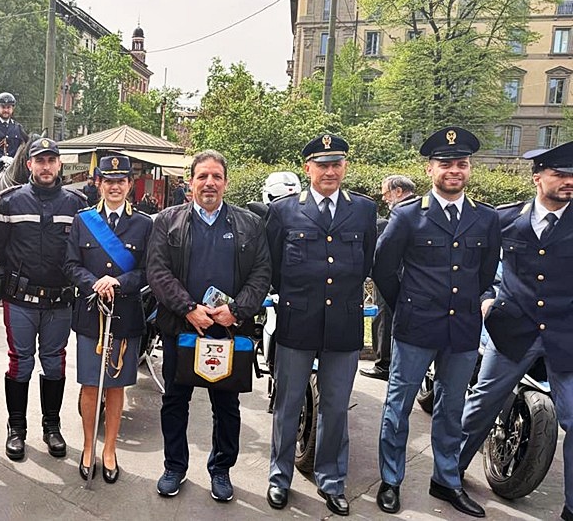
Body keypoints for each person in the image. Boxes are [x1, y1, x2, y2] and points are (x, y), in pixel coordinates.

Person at [372, 127, 501, 517]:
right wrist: (406, 305)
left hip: (461, 329)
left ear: (469, 169)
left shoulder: (485, 218)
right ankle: (390, 480)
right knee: (399, 407)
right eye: (446, 164)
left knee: (451, 410)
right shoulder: (409, 216)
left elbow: (485, 273)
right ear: (430, 169)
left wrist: (470, 304)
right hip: (415, 326)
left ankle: (446, 480)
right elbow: (382, 268)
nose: (454, 171)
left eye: (461, 164)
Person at [146, 150, 272, 502]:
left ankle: (221, 470)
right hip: (182, 329)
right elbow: (157, 272)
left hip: (229, 332)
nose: (209, 183)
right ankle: (174, 467)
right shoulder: (166, 221)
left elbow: (262, 273)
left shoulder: (250, 224)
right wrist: (188, 308)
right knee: (174, 401)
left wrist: (238, 310)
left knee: (227, 407)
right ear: (191, 181)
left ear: (226, 182)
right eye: (202, 176)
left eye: (216, 176)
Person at [458, 141, 573, 521]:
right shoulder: (504, 219)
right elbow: (476, 266)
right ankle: (449, 474)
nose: (569, 181)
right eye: (560, 174)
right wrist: (487, 299)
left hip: (566, 335)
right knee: (482, 402)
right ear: (537, 176)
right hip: (513, 330)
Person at [264, 135, 377, 516]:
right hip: (298, 322)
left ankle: (331, 480)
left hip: (343, 325)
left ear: (344, 167)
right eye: (321, 165)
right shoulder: (283, 212)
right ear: (307, 169)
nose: (329, 171)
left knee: (336, 407)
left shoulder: (363, 210)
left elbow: (366, 263)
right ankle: (279, 477)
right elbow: (274, 267)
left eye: (336, 164)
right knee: (288, 404)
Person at [0, 137, 86, 462]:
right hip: (21, 300)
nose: (45, 166)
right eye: (39, 160)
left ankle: (52, 428)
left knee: (55, 362)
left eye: (51, 160)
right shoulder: (9, 201)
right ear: (29, 164)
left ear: (59, 164)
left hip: (60, 301)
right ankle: (16, 429)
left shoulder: (77, 203)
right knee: (20, 362)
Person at [64, 155, 152, 484]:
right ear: (99, 183)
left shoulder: (145, 224)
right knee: (90, 385)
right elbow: (71, 264)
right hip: (91, 316)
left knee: (115, 387)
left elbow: (148, 271)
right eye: (108, 181)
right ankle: (88, 446)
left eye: (121, 181)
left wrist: (119, 282)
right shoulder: (82, 220)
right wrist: (93, 283)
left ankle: (110, 449)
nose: (115, 187)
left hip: (126, 314)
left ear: (130, 185)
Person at [360, 175, 416, 381]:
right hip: (411, 280)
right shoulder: (422, 210)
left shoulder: (402, 213)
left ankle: (385, 365)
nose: (384, 199)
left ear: (398, 191)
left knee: (384, 319)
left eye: (385, 194)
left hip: (395, 275)